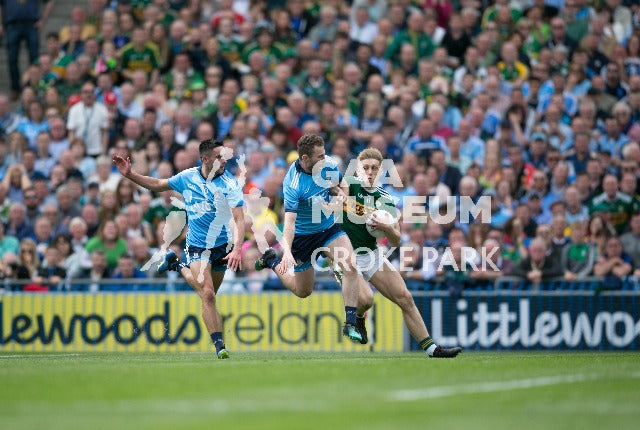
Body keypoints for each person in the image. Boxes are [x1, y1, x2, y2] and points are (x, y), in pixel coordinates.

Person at [113, 138, 245, 360]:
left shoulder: (229, 184)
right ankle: (220, 346)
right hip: (197, 245)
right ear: (205, 159)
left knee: (208, 293)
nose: (224, 161)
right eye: (219, 157)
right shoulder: (187, 177)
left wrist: (238, 249)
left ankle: (176, 265)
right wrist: (130, 174)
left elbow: (240, 220)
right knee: (209, 294)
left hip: (222, 245)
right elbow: (158, 185)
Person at [336, 148, 462, 358]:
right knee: (366, 299)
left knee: (405, 298)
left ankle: (432, 349)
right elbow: (335, 190)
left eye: (374, 168)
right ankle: (357, 317)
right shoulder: (349, 185)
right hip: (344, 254)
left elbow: (396, 240)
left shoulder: (386, 199)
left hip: (371, 254)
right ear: (357, 170)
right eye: (365, 168)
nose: (369, 172)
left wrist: (386, 228)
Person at [254, 134, 365, 343]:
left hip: (328, 228)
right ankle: (272, 260)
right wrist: (286, 251)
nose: (325, 159)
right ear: (305, 158)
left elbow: (343, 184)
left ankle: (350, 323)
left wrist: (342, 194)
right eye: (320, 156)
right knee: (302, 291)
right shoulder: (293, 183)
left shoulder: (328, 164)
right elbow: (289, 222)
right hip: (303, 237)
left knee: (350, 264)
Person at [0, 0, 54, 99]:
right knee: (12, 58)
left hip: (31, 24)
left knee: (34, 59)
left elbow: (49, 2)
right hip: (12, 24)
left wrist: (43, 20)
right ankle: (15, 88)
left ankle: (33, 86)